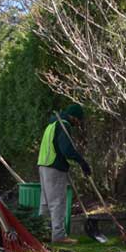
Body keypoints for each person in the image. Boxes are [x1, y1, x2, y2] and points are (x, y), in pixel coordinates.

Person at [36, 104, 92, 244]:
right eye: (78, 120)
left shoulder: (53, 123)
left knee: (45, 203)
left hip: (44, 165)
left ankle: (42, 232)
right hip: (54, 167)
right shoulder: (63, 125)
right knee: (57, 202)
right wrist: (82, 162)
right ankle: (59, 236)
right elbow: (66, 149)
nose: (78, 124)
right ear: (74, 117)